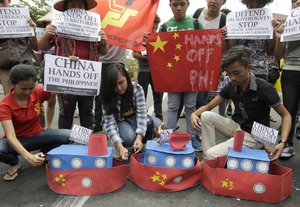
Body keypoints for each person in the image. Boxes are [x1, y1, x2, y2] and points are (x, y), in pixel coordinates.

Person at [191, 45, 291, 161]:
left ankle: (211, 159)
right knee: (205, 115)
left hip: (257, 136)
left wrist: (282, 142)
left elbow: (286, 115)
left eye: (236, 72)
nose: (232, 77)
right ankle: (211, 159)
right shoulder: (231, 85)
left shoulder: (264, 88)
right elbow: (209, 106)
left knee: (211, 154)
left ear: (249, 68)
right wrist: (194, 114)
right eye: (228, 73)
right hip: (238, 128)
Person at [38, 0, 107, 130]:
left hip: (87, 76)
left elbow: (103, 52)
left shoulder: (95, 27)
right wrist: (46, 35)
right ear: (65, 8)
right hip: (65, 75)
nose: (76, 8)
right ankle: (64, 143)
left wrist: (104, 42)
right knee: (66, 111)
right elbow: (43, 47)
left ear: (85, 9)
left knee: (86, 110)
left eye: (80, 5)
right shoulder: (57, 25)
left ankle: (87, 143)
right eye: (72, 5)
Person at [0, 65, 71, 181]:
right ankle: (14, 164)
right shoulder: (4, 105)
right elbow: (11, 137)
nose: (27, 92)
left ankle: (44, 153)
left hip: (38, 136)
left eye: (31, 88)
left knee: (70, 135)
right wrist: (29, 157)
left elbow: (52, 102)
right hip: (17, 140)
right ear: (11, 84)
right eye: (23, 89)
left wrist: (49, 127)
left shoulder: (38, 92)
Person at [160, 0, 204, 151]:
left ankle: (192, 138)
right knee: (172, 106)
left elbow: (206, 46)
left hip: (192, 75)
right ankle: (168, 138)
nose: (179, 8)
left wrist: (220, 36)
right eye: (175, 4)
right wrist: (148, 41)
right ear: (170, 6)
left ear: (188, 4)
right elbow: (158, 52)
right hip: (173, 75)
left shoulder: (196, 24)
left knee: (191, 106)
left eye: (182, 4)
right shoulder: (164, 26)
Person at [101, 63, 162, 161]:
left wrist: (139, 137)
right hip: (119, 121)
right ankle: (119, 144)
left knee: (155, 124)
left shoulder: (137, 89)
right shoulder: (106, 94)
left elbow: (142, 114)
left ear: (127, 78)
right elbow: (109, 124)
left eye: (121, 82)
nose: (119, 88)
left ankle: (143, 142)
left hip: (134, 117)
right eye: (114, 85)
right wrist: (119, 147)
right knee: (129, 138)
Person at [274, 0, 300, 157]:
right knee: (289, 108)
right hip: (290, 70)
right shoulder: (288, 24)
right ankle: (286, 143)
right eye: (294, 1)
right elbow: (278, 56)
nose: (297, 2)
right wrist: (278, 37)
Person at [232, 0, 278, 81]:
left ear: (264, 5)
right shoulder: (237, 21)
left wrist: (272, 31)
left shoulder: (267, 22)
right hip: (240, 70)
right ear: (246, 4)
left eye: (259, 6)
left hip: (260, 72)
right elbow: (231, 49)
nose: (255, 9)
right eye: (251, 6)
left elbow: (270, 52)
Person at [0, 0, 39, 95]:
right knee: (12, 102)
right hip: (6, 69)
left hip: (26, 65)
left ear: (9, 1)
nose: (0, 5)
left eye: (2, 1)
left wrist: (32, 31)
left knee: (35, 101)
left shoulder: (23, 18)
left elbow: (36, 47)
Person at [133, 14, 163, 121]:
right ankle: (141, 119)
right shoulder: (139, 37)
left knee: (158, 95)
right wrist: (149, 58)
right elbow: (135, 54)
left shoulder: (160, 38)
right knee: (142, 96)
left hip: (157, 72)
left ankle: (160, 119)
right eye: (152, 27)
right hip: (143, 71)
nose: (154, 30)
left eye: (156, 27)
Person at [93, 45, 126, 132]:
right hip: (102, 62)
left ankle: (120, 122)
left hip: (118, 61)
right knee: (100, 94)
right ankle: (97, 124)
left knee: (119, 93)